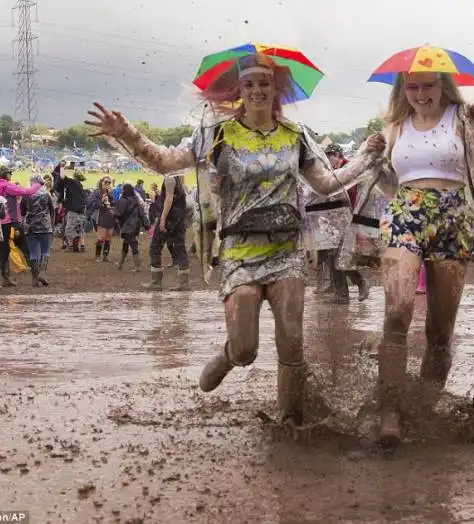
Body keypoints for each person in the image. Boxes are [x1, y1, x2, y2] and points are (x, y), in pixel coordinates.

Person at [85, 53, 386, 426]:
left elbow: (325, 183)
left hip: (286, 249)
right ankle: (230, 357)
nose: (258, 90)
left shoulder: (296, 135)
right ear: (239, 89)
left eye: (265, 83)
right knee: (247, 348)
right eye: (250, 84)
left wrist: (365, 155)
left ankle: (290, 423)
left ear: (277, 89)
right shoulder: (218, 134)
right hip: (240, 250)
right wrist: (124, 131)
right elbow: (164, 162)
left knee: (291, 342)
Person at [375, 70, 474, 448]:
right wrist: (373, 160)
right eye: (412, 86)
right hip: (406, 214)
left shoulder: (464, 119)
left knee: (440, 330)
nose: (420, 94)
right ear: (402, 90)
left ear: (443, 86)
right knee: (397, 310)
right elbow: (389, 182)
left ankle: (424, 409)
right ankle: (391, 411)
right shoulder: (395, 125)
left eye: (428, 85)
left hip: (454, 216)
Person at [322, 144, 370, 304]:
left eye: (331, 157)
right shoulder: (333, 172)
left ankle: (360, 281)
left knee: (340, 256)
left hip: (347, 219)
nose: (329, 161)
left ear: (338, 155)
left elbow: (353, 197)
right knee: (332, 256)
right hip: (332, 220)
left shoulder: (348, 170)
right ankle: (341, 294)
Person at [142, 173, 190, 291]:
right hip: (179, 218)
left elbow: (169, 198)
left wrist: (162, 218)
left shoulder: (169, 178)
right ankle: (184, 282)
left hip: (170, 217)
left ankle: (156, 281)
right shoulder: (179, 178)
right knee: (179, 247)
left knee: (155, 246)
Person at [0, 166, 41, 287]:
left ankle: (1, 280)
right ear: (6, 174)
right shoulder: (8, 186)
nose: (11, 175)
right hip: (13, 223)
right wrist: (38, 184)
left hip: (0, 224)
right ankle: (35, 279)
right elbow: (27, 192)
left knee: (3, 252)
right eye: (10, 172)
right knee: (26, 250)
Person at [21, 173, 54, 287]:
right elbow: (51, 210)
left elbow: (22, 211)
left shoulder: (27, 194)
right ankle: (42, 274)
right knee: (45, 252)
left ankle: (34, 279)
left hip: (30, 227)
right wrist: (52, 224)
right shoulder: (46, 193)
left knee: (34, 253)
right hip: (45, 226)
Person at [113, 183, 150, 271]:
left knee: (133, 245)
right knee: (126, 243)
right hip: (136, 226)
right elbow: (142, 214)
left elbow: (119, 213)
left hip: (128, 226)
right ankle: (120, 264)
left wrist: (112, 212)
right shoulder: (136, 200)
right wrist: (147, 225)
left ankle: (138, 266)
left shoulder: (124, 200)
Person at [57, 170, 87, 253]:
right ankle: (79, 246)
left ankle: (72, 245)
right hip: (82, 210)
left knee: (69, 229)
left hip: (74, 210)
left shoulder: (73, 183)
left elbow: (62, 177)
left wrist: (62, 167)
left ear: (74, 177)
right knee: (79, 228)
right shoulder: (80, 186)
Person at [88, 176, 116, 262]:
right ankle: (97, 256)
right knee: (102, 237)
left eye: (109, 182)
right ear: (101, 182)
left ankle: (105, 256)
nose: (107, 184)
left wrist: (110, 197)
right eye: (106, 182)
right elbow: (90, 203)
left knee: (109, 238)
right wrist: (101, 201)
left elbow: (113, 204)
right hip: (101, 215)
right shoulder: (96, 192)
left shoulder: (110, 192)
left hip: (110, 216)